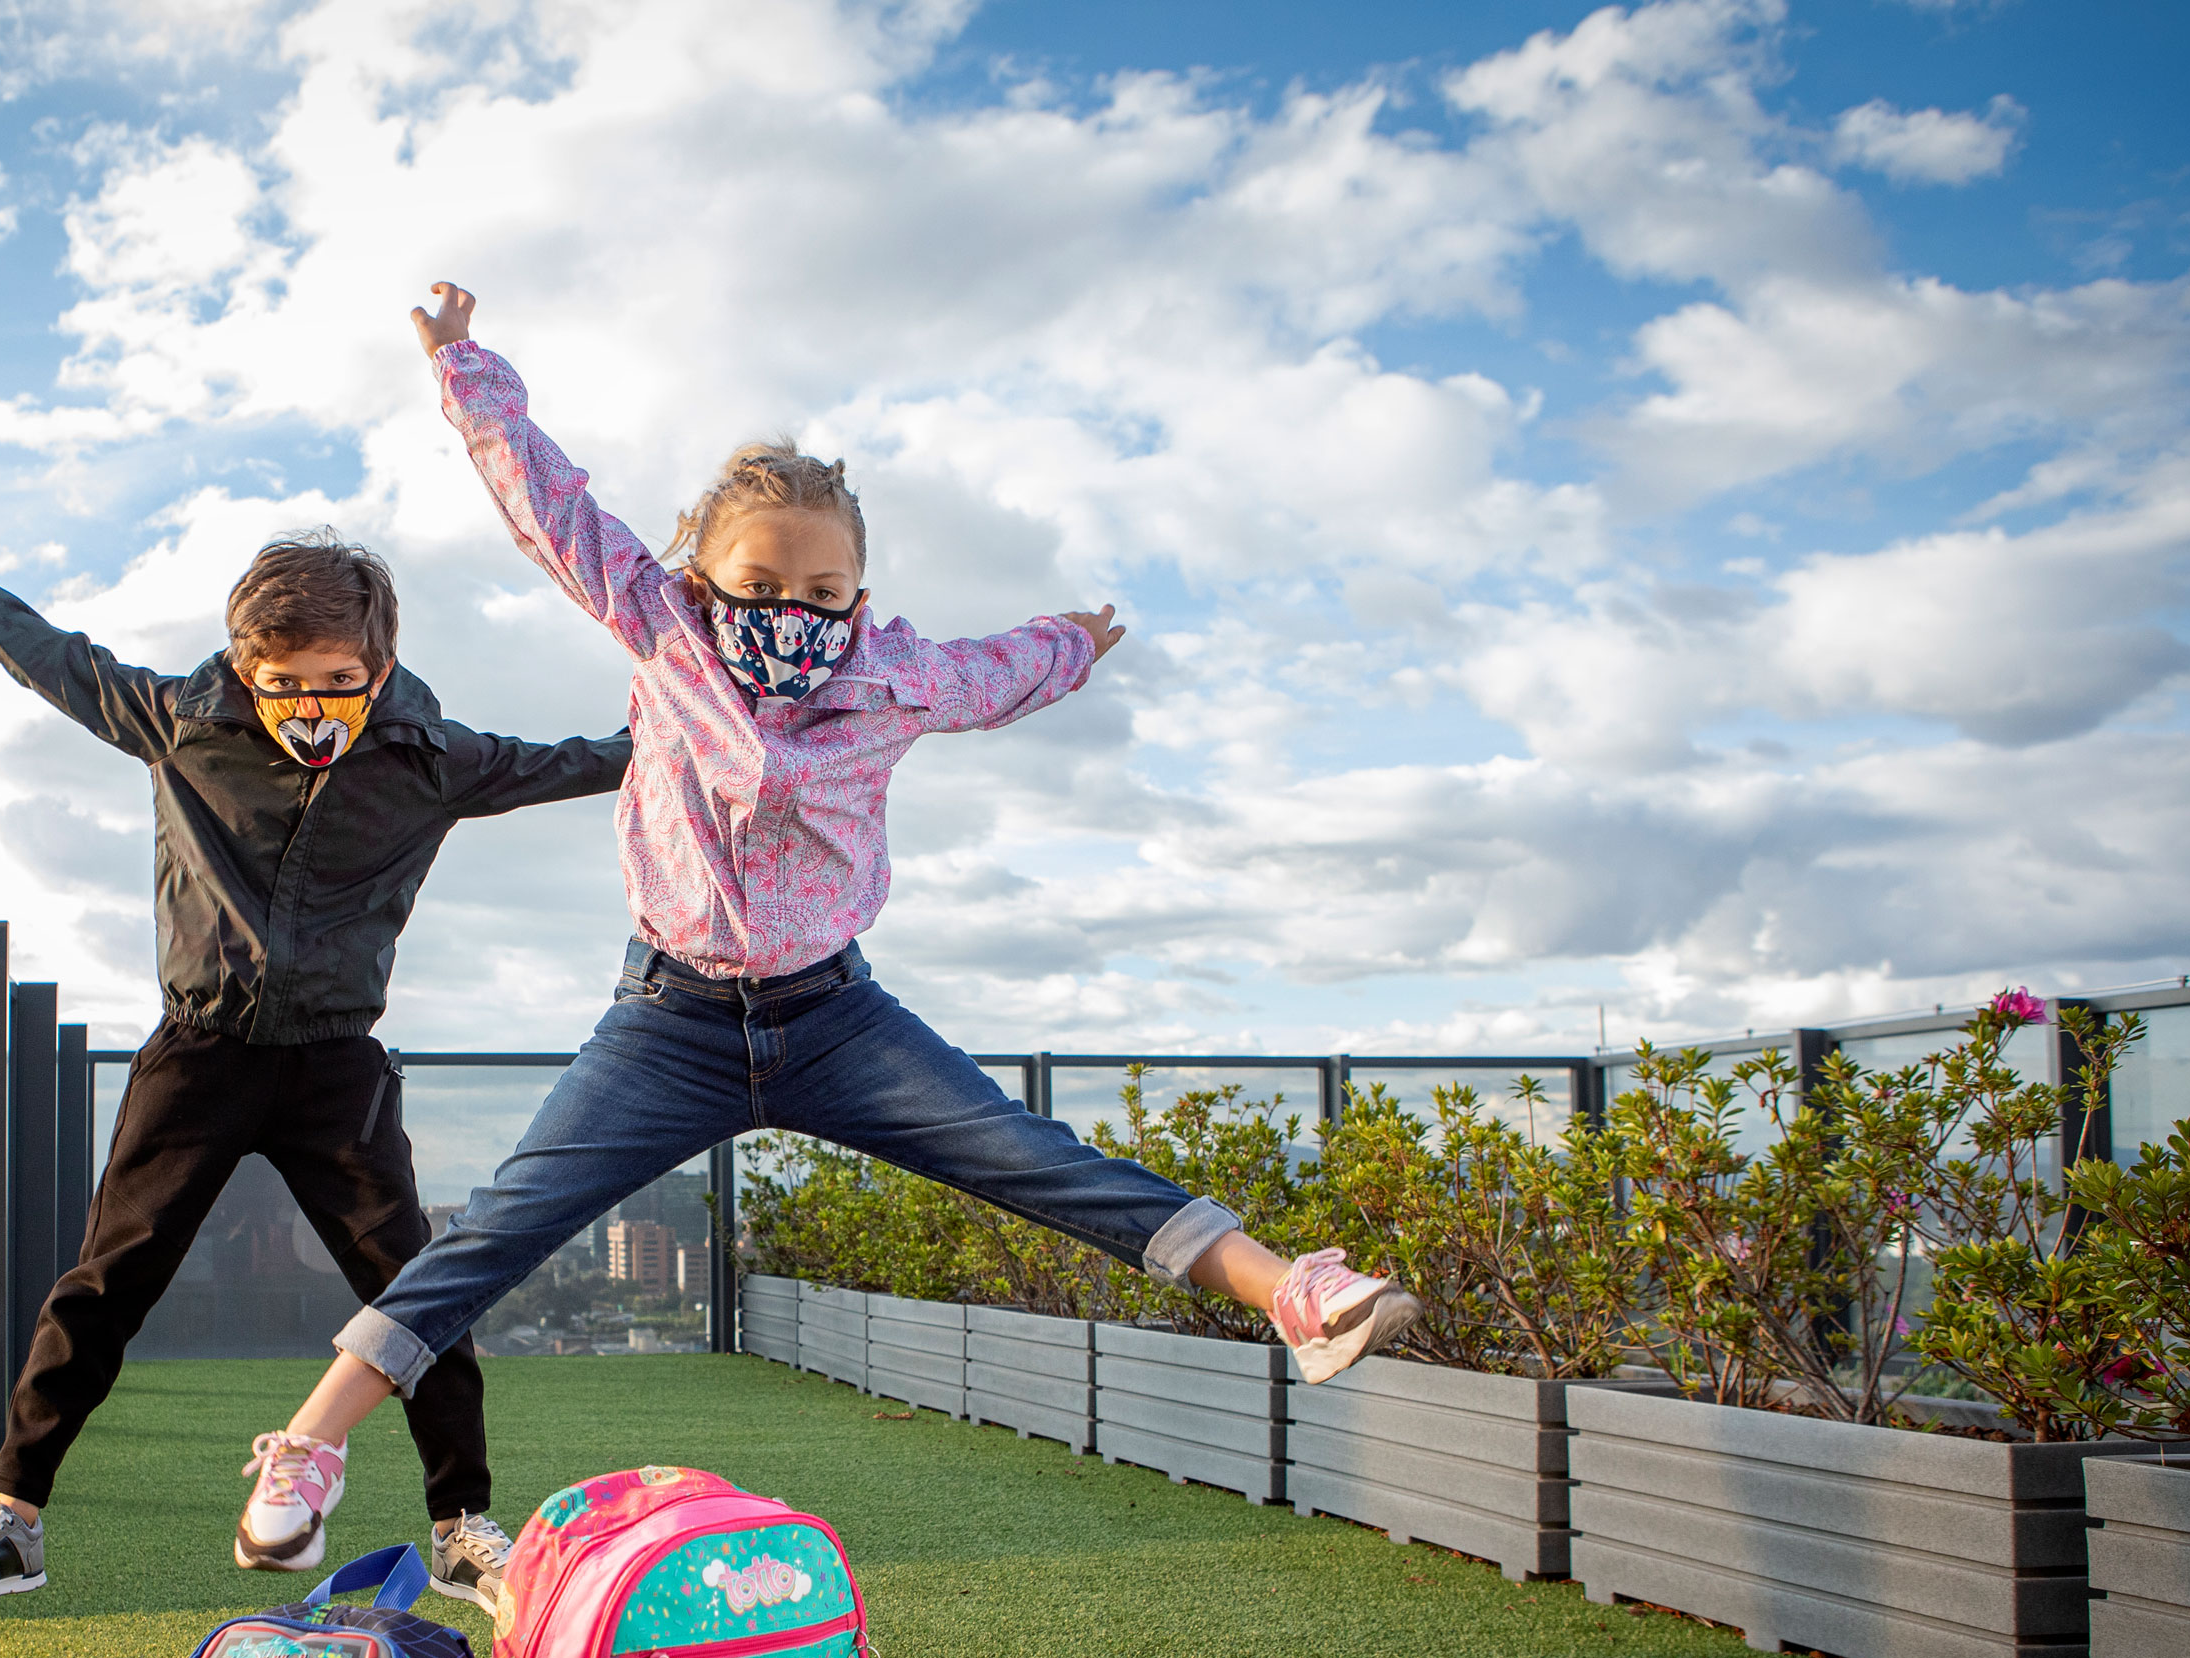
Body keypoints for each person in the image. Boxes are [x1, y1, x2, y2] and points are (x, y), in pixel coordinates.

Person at [231, 284, 1422, 1567]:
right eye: (759, 582)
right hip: (667, 1022)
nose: (788, 610)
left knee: (1030, 1157)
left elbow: (1000, 671)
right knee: (506, 1221)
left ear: (857, 592)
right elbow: (549, 508)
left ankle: (1293, 1289)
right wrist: (466, 368)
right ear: (702, 576)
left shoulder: (892, 675)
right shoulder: (660, 623)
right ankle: (308, 1442)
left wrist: (1073, 640)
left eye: (821, 588)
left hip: (834, 1016)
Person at [0, 522, 631, 1607]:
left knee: (418, 1291)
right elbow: (47, 652)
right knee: (104, 1285)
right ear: (245, 666)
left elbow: (590, 760)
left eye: (338, 681)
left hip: (336, 1068)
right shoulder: (172, 722)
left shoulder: (434, 760)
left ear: (377, 669)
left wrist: (711, 722)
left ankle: (462, 1526)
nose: (311, 704)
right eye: (284, 682)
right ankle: (10, 1519)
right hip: (197, 1056)